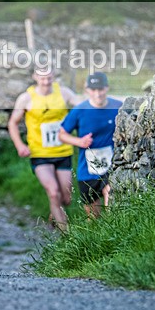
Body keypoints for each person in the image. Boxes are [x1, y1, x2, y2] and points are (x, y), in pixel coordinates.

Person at [8, 66, 80, 231]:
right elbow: (13, 122)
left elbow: (82, 105)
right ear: (35, 77)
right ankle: (67, 236)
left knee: (66, 198)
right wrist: (20, 145)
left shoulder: (64, 93)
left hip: (63, 152)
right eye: (42, 78)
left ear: (54, 76)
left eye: (49, 78)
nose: (46, 82)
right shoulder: (26, 98)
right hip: (40, 154)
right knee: (53, 192)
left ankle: (54, 214)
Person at [58, 72, 122, 218]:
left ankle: (115, 232)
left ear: (107, 88)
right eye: (93, 90)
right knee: (93, 217)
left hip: (111, 166)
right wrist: (79, 142)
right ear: (87, 90)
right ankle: (94, 240)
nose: (97, 94)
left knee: (110, 194)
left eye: (100, 89)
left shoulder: (118, 107)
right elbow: (61, 134)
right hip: (87, 171)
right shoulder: (79, 111)